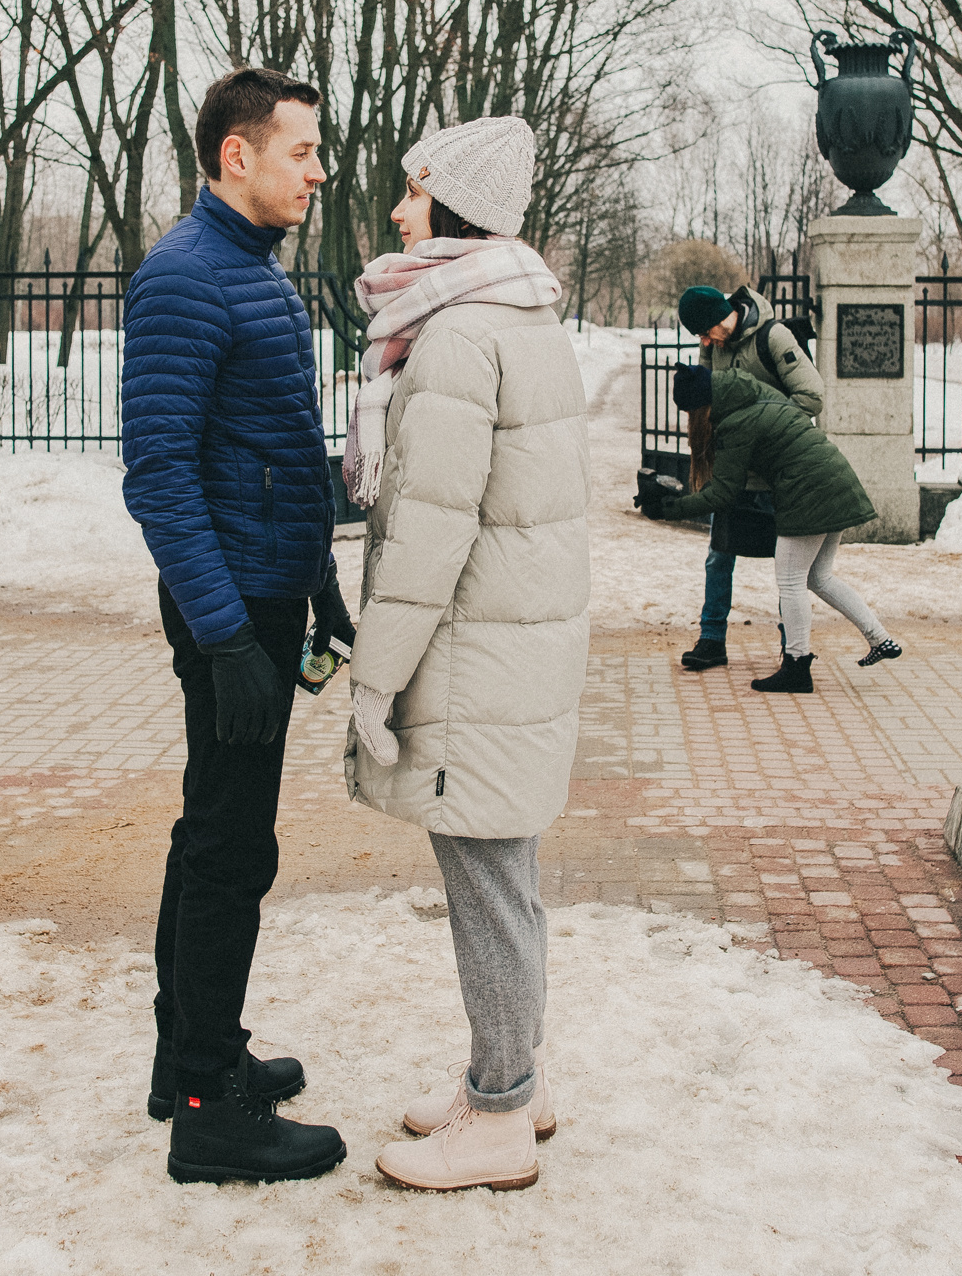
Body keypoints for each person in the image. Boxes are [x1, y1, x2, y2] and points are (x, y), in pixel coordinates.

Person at [338, 114, 588, 1193]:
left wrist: (375, 676)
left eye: (414, 190)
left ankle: (496, 1110)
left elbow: (427, 535)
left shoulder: (455, 334)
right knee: (506, 872)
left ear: (454, 208)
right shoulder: (519, 314)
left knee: (484, 877)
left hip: (476, 659)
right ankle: (512, 1082)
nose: (399, 208)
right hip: (513, 653)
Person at [121, 66, 355, 1185]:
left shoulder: (251, 270)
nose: (319, 170)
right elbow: (160, 475)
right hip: (227, 608)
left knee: (209, 831)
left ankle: (190, 1056)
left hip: (264, 595)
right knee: (230, 848)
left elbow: (272, 451)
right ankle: (211, 1111)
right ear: (237, 156)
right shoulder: (185, 276)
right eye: (302, 150)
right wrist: (223, 637)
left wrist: (318, 587)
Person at [637, 364, 901, 694]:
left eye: (691, 411)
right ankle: (880, 639)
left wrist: (669, 509)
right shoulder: (756, 392)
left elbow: (723, 493)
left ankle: (796, 667)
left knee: (791, 581)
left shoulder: (735, 422)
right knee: (818, 578)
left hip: (808, 493)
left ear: (702, 404)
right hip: (836, 481)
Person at [673, 283, 825, 673]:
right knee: (719, 556)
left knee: (789, 570)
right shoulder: (714, 346)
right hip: (734, 468)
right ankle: (711, 641)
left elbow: (811, 396)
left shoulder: (774, 337)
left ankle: (791, 647)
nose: (705, 342)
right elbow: (707, 395)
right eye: (700, 338)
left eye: (706, 332)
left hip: (778, 471)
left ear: (722, 316)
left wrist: (762, 429)